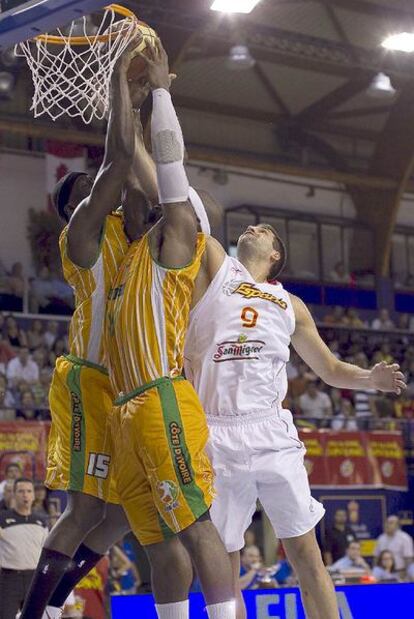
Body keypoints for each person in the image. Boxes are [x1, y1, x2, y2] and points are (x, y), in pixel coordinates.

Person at [183, 197, 405, 618]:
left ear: (275, 255)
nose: (253, 229)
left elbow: (330, 368)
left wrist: (369, 379)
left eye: (264, 230)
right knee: (223, 564)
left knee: (306, 552)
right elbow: (191, 212)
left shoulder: (291, 305)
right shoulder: (217, 272)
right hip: (215, 431)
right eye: (250, 227)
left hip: (269, 431)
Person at [20, 41, 156, 619]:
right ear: (71, 207)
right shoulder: (79, 237)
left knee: (125, 511)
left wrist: (152, 102)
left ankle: (51, 604)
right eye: (84, 188)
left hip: (124, 386)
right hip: (85, 383)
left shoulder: (130, 235)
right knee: (83, 508)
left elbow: (151, 182)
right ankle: (32, 614)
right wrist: (119, 89)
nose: (95, 189)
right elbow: (119, 166)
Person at [105, 41, 235, 619]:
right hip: (127, 407)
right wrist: (126, 102)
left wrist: (161, 92)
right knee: (157, 540)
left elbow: (169, 167)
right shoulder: (138, 251)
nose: (149, 194)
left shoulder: (180, 236)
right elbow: (130, 164)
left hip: (162, 395)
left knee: (197, 524)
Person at [0, 478, 48, 619]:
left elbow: (45, 552)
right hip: (9, 579)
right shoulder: (2, 519)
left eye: (29, 491)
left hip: (34, 579)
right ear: (14, 494)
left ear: (34, 495)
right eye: (21, 491)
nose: (25, 495)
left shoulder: (42, 521)